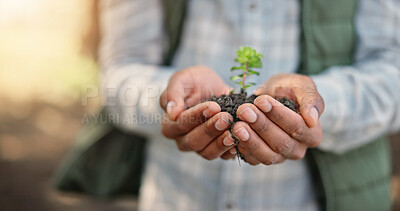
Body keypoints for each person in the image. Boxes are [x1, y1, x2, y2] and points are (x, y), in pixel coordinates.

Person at [99, 0, 400, 210]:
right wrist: (169, 101)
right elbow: (121, 70)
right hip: (177, 194)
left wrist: (317, 108)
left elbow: (393, 70)